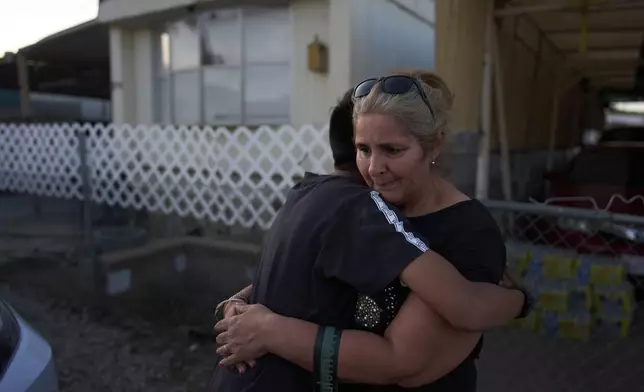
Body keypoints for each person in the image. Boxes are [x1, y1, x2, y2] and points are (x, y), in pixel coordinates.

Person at [209, 78, 529, 392]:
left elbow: (406, 363)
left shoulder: (467, 231)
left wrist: (269, 329)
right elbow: (320, 267)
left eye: (392, 150)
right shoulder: (371, 205)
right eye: (364, 149)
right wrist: (242, 301)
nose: (375, 168)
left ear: (434, 144)